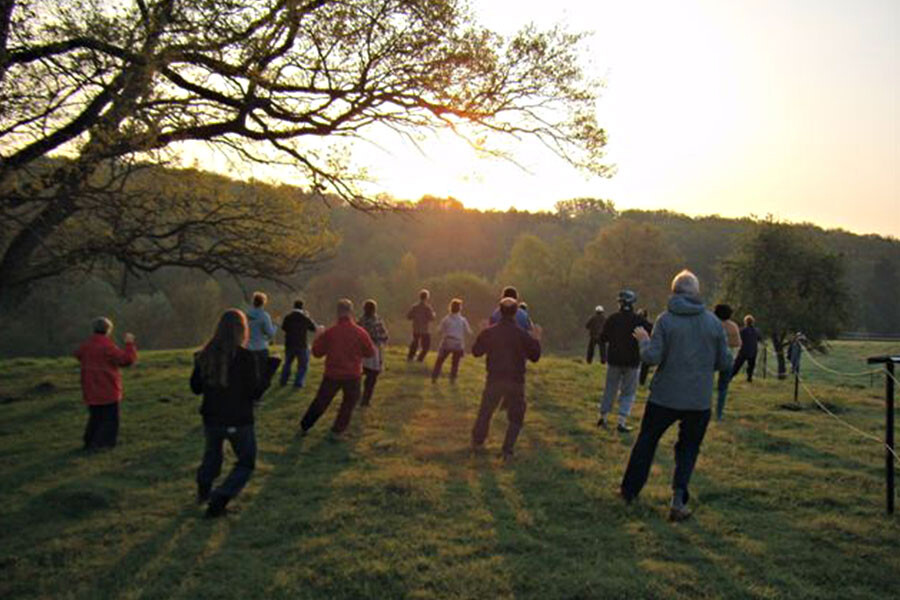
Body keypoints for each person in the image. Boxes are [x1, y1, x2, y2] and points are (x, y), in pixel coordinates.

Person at [621, 270, 732, 521]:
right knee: (688, 449)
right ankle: (678, 500)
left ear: (674, 292)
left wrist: (644, 341)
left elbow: (652, 358)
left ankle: (629, 492)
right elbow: (725, 362)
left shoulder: (665, 320)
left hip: (664, 396)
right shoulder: (713, 323)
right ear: (696, 293)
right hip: (698, 400)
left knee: (647, 442)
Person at [191, 309, 278, 517]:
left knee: (212, 454)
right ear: (242, 330)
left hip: (212, 418)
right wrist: (269, 372)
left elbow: (195, 388)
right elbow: (254, 393)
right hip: (239, 419)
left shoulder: (205, 355)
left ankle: (204, 490)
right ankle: (221, 496)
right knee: (246, 462)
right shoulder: (245, 358)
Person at [471, 297, 541, 460]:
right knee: (516, 417)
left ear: (500, 311)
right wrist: (536, 338)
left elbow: (476, 352)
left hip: (494, 379)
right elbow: (535, 356)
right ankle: (507, 449)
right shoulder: (522, 334)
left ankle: (477, 443)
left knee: (486, 412)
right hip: (516, 381)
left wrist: (481, 332)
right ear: (516, 312)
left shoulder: (490, 332)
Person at [300, 299, 375, 435]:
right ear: (351, 312)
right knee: (348, 404)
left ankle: (305, 425)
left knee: (321, 401)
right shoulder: (360, 332)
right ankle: (337, 430)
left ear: (337, 312)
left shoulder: (331, 332)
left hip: (332, 374)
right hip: (353, 375)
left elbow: (317, 353)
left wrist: (318, 337)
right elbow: (370, 353)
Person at [74, 317, 137, 450]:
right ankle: (104, 444)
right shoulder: (108, 347)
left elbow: (78, 354)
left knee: (95, 417)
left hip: (90, 387)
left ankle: (89, 441)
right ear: (108, 330)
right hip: (107, 387)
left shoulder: (86, 346)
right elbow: (126, 360)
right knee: (110, 419)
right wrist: (129, 344)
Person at [597, 290, 645, 432]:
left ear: (620, 303)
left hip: (614, 360)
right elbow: (651, 332)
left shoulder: (612, 319)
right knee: (628, 392)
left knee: (610, 389)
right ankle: (621, 421)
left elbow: (602, 338)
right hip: (632, 362)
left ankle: (603, 417)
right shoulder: (638, 320)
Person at [432, 298, 473, 383]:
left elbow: (439, 330)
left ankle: (434, 377)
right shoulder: (463, 320)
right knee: (455, 363)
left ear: (450, 308)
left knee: (440, 361)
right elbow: (469, 332)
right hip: (458, 343)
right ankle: (452, 379)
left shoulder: (446, 319)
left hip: (447, 342)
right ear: (460, 308)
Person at [358, 299, 389, 406]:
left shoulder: (360, 321)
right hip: (373, 351)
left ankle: (357, 396)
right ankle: (365, 400)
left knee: (358, 375)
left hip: (360, 351)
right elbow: (384, 336)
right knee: (372, 377)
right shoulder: (377, 321)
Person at [280, 300, 317, 388]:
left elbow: (284, 328)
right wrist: (309, 317)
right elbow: (314, 328)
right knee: (302, 365)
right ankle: (298, 382)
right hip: (301, 344)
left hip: (289, 343)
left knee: (287, 363)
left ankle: (283, 380)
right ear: (302, 307)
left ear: (294, 306)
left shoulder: (288, 317)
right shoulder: (305, 318)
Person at [713, 304, 742, 421]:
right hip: (727, 358)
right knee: (723, 387)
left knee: (705, 384)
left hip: (711, 357)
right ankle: (719, 413)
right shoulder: (733, 326)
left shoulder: (711, 324)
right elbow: (737, 343)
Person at [247, 291, 276, 389]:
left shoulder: (246, 314)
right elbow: (270, 333)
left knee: (248, 372)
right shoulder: (264, 316)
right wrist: (275, 326)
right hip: (260, 347)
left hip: (247, 347)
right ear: (263, 302)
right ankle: (257, 396)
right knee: (260, 373)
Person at [406, 289, 436, 362]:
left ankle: (410, 357)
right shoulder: (427, 308)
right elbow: (431, 318)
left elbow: (409, 316)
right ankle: (420, 359)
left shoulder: (415, 307)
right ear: (427, 297)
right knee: (426, 346)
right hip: (425, 329)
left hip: (416, 328)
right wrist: (434, 314)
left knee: (415, 343)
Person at [732, 315, 763, 382]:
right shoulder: (756, 331)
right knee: (751, 365)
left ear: (745, 322)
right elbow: (760, 339)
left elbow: (739, 339)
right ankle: (749, 377)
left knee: (737, 365)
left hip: (744, 350)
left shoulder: (743, 330)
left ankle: (731, 376)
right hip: (753, 350)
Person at [636, 308, 653, 385]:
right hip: (646, 346)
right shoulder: (649, 325)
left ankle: (638, 381)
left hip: (635, 346)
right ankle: (641, 381)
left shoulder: (633, 324)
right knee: (644, 365)